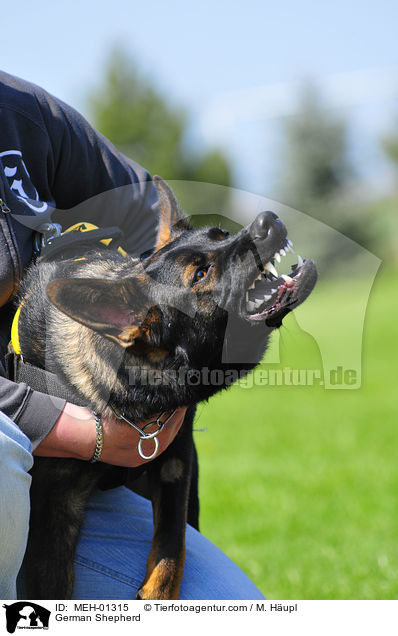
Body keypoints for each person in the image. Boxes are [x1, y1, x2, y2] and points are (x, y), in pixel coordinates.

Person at [0, 71, 265, 600]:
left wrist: (167, 379)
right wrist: (79, 431)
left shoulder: (19, 111)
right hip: (14, 448)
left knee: (232, 609)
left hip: (84, 461)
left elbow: (150, 217)